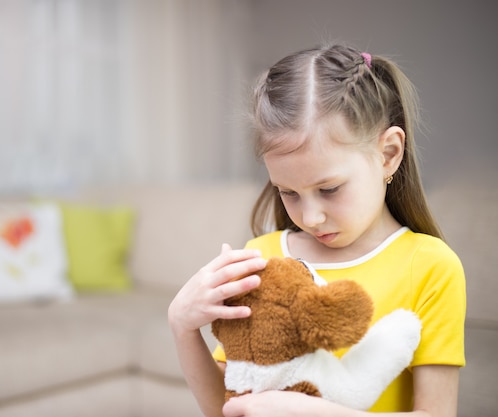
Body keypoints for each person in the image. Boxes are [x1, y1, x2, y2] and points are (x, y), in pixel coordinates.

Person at [167, 43, 466, 417]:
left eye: (329, 189)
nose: (310, 218)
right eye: (288, 192)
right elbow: (225, 410)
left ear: (388, 154)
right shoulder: (261, 258)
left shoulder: (430, 266)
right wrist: (182, 328)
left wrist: (304, 411)